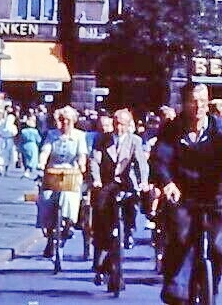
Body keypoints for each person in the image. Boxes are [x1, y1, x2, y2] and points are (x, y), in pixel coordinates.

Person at [152, 82, 222, 305]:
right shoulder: (172, 129)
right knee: (181, 236)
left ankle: (210, 286)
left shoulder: (221, 129)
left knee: (218, 247)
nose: (198, 107)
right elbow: (160, 159)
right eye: (193, 102)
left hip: (215, 195)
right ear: (184, 104)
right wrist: (167, 183)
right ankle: (177, 289)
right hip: (183, 194)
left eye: (203, 102)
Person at [90, 107, 149, 285]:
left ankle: (129, 229)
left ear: (129, 124)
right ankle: (100, 254)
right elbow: (94, 161)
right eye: (116, 124)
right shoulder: (102, 140)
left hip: (125, 182)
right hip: (107, 182)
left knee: (133, 201)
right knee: (101, 211)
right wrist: (96, 180)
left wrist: (143, 181)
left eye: (122, 124)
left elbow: (140, 163)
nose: (119, 128)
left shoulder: (134, 141)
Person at [37, 106, 88, 260]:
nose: (65, 123)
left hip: (71, 173)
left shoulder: (80, 136)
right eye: (62, 120)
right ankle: (48, 230)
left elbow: (81, 155)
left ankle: (68, 223)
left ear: (73, 121)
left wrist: (82, 165)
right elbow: (45, 152)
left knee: (69, 196)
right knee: (45, 198)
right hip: (53, 173)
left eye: (68, 120)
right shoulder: (52, 135)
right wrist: (41, 165)